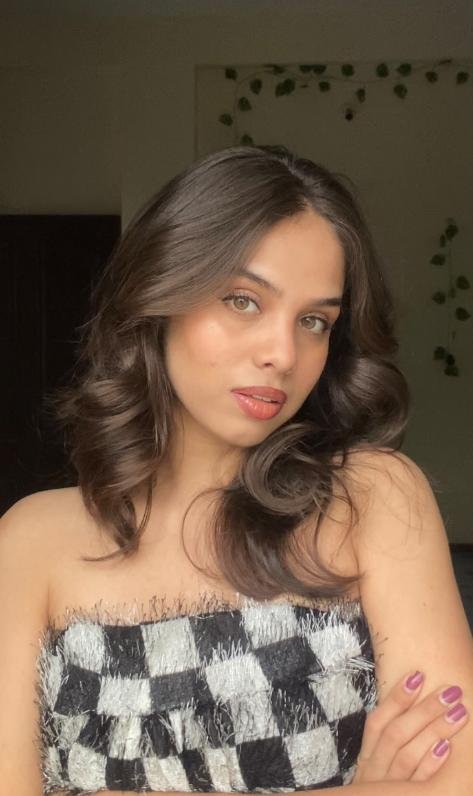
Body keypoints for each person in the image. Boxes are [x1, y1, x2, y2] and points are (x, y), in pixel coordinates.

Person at [0, 144, 471, 796]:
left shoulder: (374, 498)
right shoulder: (30, 542)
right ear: (161, 294)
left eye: (314, 321)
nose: (283, 353)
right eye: (244, 300)